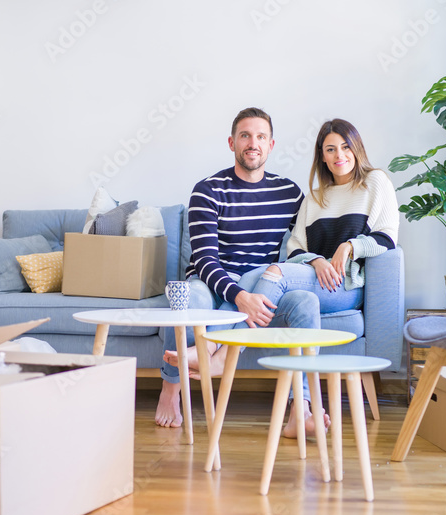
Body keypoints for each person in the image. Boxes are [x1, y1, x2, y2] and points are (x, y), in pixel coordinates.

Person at [155, 107, 322, 437]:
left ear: (271, 145)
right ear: (232, 142)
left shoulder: (289, 194)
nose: (253, 143)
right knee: (192, 296)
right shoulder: (208, 190)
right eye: (245, 135)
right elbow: (204, 261)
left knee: (306, 302)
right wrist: (240, 296)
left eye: (261, 137)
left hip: (264, 287)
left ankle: (299, 408)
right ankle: (171, 389)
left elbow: (303, 245)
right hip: (214, 283)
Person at [245, 118, 399, 314]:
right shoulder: (314, 198)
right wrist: (317, 261)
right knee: (248, 280)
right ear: (323, 156)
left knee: (276, 272)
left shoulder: (375, 182)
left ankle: (226, 346)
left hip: (344, 285)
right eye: (331, 149)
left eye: (346, 147)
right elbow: (295, 248)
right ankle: (211, 345)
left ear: (356, 149)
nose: (339, 155)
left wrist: (349, 246)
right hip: (311, 276)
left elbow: (387, 237)